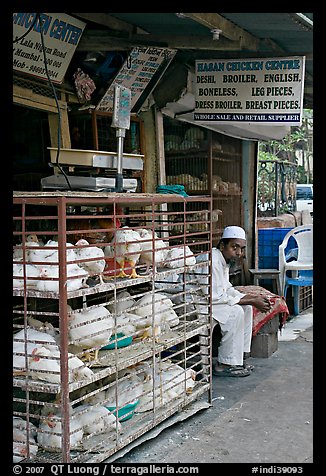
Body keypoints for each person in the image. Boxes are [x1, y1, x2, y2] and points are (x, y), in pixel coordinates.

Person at [212, 226, 271, 377]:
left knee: (247, 309)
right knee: (236, 312)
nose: (239, 253)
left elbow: (227, 289)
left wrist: (249, 300)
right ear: (222, 246)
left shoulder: (223, 260)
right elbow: (216, 297)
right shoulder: (213, 260)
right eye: (234, 247)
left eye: (241, 248)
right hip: (199, 303)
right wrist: (250, 299)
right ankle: (224, 364)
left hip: (215, 301)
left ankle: (240, 357)